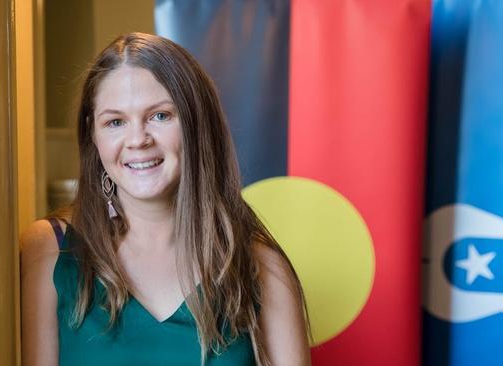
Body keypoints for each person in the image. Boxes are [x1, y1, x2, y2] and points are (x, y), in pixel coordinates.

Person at [20, 32, 311, 366]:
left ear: (196, 122)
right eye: (115, 122)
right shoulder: (51, 249)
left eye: (160, 116)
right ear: (93, 135)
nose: (137, 140)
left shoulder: (261, 265)